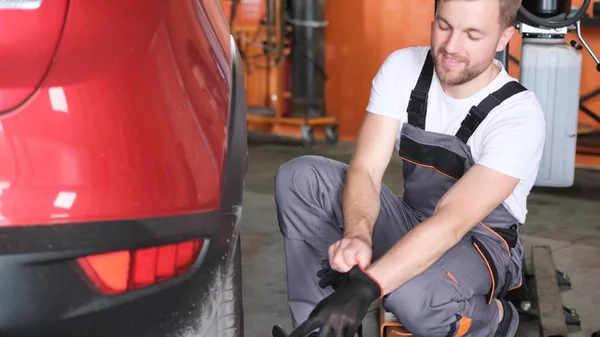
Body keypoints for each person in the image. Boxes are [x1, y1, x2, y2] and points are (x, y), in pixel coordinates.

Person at [273, 0, 546, 336]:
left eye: (472, 35)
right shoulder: (404, 68)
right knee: (302, 178)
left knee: (413, 297)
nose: (451, 47)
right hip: (412, 218)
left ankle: (494, 320)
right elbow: (367, 171)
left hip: (479, 241)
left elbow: (452, 221)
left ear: (504, 38)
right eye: (444, 26)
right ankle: (318, 328)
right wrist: (357, 234)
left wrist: (366, 286)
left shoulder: (517, 115)